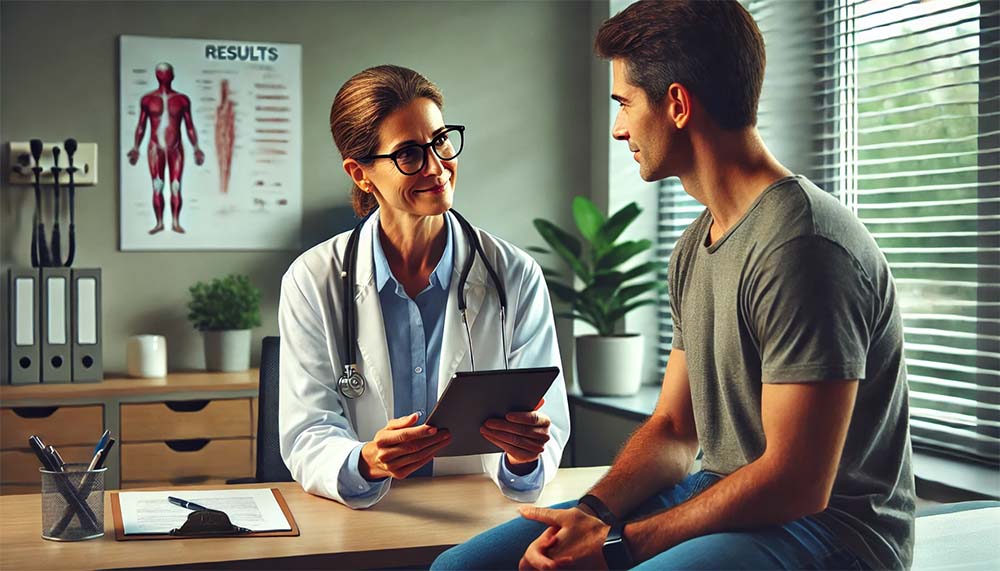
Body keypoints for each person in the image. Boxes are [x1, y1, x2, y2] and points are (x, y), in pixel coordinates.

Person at [434, 1, 914, 569]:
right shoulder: (696, 244)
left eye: (624, 104)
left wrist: (616, 546)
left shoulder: (803, 247)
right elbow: (673, 428)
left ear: (678, 104)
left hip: (828, 531)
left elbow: (797, 483)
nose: (618, 128)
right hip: (721, 490)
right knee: (462, 567)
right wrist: (592, 513)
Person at [278, 65, 570, 509]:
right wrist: (367, 461)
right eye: (409, 154)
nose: (437, 167)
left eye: (441, 141)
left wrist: (523, 455)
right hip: (365, 521)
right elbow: (308, 431)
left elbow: (547, 429)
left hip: (477, 514)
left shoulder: (514, 274)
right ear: (360, 173)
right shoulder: (312, 279)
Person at [126, 62, 205, 235]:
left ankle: (175, 222)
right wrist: (136, 148)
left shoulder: (182, 99)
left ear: (172, 76)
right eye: (161, 73)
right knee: (157, 186)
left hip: (175, 147)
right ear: (157, 75)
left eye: (167, 73)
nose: (164, 76)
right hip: (155, 148)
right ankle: (160, 223)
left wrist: (196, 148)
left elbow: (189, 126)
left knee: (176, 185)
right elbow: (141, 125)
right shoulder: (148, 99)